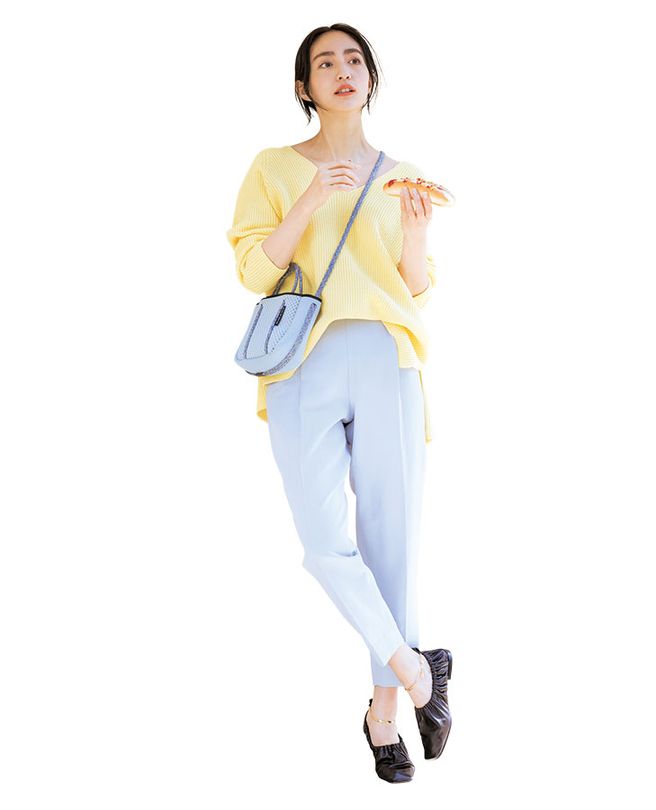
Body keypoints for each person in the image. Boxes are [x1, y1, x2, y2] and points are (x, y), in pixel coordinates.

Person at [226, 23, 452, 782]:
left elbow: (413, 288)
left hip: (387, 353)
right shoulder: (274, 167)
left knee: (393, 540)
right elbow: (256, 271)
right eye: (325, 63)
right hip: (303, 358)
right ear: (305, 87)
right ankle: (419, 673)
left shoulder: (402, 175)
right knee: (324, 543)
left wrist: (416, 235)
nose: (342, 71)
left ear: (370, 78)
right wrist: (312, 198)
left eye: (354, 59)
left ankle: (385, 715)